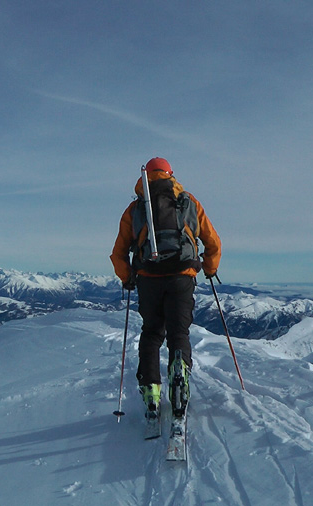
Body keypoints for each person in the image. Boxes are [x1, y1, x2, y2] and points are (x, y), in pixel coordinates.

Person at [110, 157, 221, 418]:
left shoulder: (135, 209)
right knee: (178, 332)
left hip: (149, 278)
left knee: (151, 333)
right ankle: (179, 374)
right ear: (171, 175)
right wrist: (210, 268)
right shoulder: (189, 203)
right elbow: (212, 242)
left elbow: (118, 254)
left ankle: (151, 388)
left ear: (146, 178)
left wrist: (127, 277)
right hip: (182, 276)